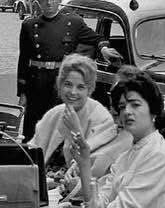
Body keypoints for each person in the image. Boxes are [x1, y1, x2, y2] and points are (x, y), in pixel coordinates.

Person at [73, 68, 165, 208]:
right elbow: (97, 205)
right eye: (122, 107)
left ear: (153, 109)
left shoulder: (159, 155)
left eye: (135, 104)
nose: (127, 112)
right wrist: (83, 165)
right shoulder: (129, 154)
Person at [30, 54, 131, 199]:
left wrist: (75, 130)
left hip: (70, 194)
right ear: (60, 85)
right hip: (40, 187)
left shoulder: (102, 118)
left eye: (80, 87)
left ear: (89, 90)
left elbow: (89, 167)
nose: (73, 92)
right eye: (68, 84)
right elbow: (32, 151)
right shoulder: (54, 113)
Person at [17, 0, 99, 140]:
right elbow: (23, 59)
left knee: (59, 126)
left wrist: (104, 47)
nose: (49, 3)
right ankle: (34, 161)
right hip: (36, 83)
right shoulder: (29, 25)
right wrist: (22, 92)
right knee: (34, 128)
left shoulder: (73, 22)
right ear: (38, 1)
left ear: (59, 0)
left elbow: (95, 38)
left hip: (60, 82)